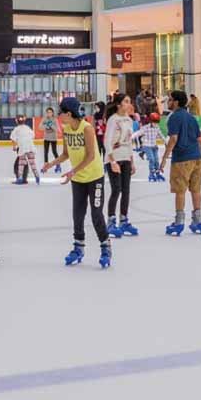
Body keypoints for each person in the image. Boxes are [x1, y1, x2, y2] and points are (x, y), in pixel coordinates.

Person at [41, 97, 112, 269]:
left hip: (94, 177)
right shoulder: (66, 129)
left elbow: (91, 156)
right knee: (77, 215)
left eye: (60, 113)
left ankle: (105, 247)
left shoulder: (87, 128)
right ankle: (78, 247)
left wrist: (73, 171)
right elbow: (66, 154)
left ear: (68, 113)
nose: (59, 116)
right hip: (78, 179)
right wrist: (51, 163)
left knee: (96, 214)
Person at [161, 91, 201, 236]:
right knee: (196, 189)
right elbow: (199, 140)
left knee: (180, 191)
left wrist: (164, 158)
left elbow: (173, 139)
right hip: (197, 159)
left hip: (181, 159)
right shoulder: (192, 118)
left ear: (176, 102)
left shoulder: (174, 117)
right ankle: (198, 220)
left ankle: (179, 222)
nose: (168, 102)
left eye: (170, 100)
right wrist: (197, 154)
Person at [104, 94, 138, 238]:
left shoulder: (129, 120)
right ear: (119, 104)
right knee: (116, 190)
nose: (129, 104)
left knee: (126, 190)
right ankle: (111, 222)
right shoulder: (113, 120)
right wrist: (112, 161)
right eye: (126, 101)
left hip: (126, 157)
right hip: (114, 158)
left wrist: (132, 161)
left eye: (129, 101)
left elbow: (129, 142)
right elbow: (107, 141)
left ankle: (124, 220)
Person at [135, 112, 166, 182]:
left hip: (154, 147)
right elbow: (138, 133)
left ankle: (157, 173)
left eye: (157, 122)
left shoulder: (157, 128)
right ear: (151, 121)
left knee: (156, 160)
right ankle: (151, 174)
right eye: (154, 122)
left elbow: (161, 135)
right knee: (152, 159)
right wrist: (130, 137)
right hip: (147, 146)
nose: (155, 124)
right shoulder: (145, 127)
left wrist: (166, 142)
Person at [10, 116, 39, 185]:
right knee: (32, 163)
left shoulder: (16, 129)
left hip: (22, 148)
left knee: (21, 164)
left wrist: (14, 146)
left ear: (16, 121)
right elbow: (33, 136)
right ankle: (37, 176)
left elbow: (13, 138)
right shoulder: (28, 128)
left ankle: (20, 178)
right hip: (31, 147)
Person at [41, 107, 60, 172]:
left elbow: (57, 129)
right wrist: (46, 126)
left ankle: (58, 165)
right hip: (46, 138)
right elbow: (40, 127)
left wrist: (51, 125)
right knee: (45, 152)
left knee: (54, 151)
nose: (49, 113)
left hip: (53, 138)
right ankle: (45, 166)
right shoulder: (44, 119)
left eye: (50, 112)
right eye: (48, 112)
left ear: (52, 113)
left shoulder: (55, 119)